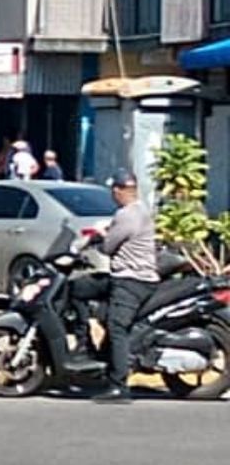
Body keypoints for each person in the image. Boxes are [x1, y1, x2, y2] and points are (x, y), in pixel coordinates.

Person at [73, 171, 159, 404]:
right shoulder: (141, 210)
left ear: (120, 190)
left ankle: (120, 387)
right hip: (130, 277)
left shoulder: (127, 215)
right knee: (78, 289)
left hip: (131, 280)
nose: (113, 194)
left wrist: (100, 235)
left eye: (114, 190)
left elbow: (108, 247)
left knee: (117, 327)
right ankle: (85, 345)